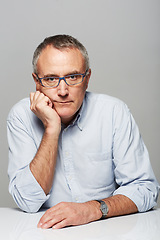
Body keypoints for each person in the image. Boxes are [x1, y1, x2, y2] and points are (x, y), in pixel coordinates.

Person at [7, 34, 159, 229]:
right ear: (37, 82)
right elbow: (27, 201)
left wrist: (92, 209)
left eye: (72, 77)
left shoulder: (113, 112)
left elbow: (145, 189)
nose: (62, 91)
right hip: (45, 233)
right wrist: (52, 129)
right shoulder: (21, 116)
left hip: (107, 230)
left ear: (87, 79)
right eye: (51, 79)